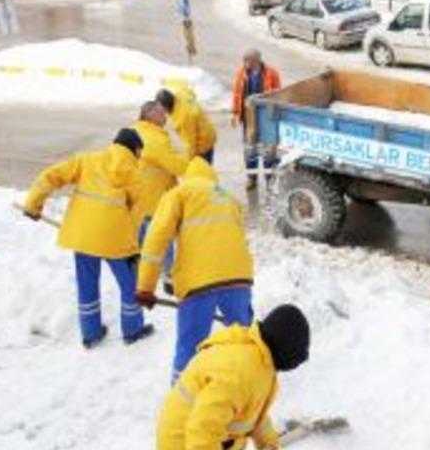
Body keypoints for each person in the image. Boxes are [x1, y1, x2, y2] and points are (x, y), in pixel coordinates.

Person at [22, 128, 154, 348]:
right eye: (140, 152)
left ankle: (91, 334)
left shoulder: (87, 160)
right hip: (116, 241)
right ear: (135, 149)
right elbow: (135, 217)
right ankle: (133, 330)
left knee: (87, 284)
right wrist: (133, 249)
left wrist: (33, 204)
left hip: (83, 236)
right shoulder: (135, 175)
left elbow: (52, 175)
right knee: (130, 285)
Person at [136, 157, 255, 382]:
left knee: (190, 346)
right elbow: (240, 241)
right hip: (240, 279)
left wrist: (145, 287)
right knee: (242, 342)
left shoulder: (179, 194)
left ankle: (181, 399)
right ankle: (245, 389)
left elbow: (156, 240)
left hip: (199, 284)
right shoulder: (229, 198)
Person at [156, 304, 310, 450]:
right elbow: (203, 430)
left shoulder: (260, 358)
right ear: (285, 350)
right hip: (183, 443)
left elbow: (255, 414)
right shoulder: (239, 373)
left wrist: (269, 443)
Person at [132, 101, 190, 293]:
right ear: (149, 115)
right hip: (154, 198)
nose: (164, 114)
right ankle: (168, 278)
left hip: (140, 197)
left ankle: (138, 272)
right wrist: (188, 157)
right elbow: (178, 166)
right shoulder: (154, 139)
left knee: (142, 237)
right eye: (160, 111)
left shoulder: (138, 131)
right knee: (162, 237)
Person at [231, 48, 282, 190]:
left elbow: (279, 94)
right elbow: (237, 94)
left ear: (256, 60)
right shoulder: (241, 74)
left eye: (247, 61)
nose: (245, 64)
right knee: (250, 149)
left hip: (267, 118)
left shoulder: (272, 73)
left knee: (268, 150)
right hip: (249, 118)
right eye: (244, 61)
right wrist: (235, 113)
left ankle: (270, 179)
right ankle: (251, 178)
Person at [155, 86, 218, 163]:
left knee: (201, 171)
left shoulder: (183, 119)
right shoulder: (181, 94)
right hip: (207, 129)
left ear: (166, 107)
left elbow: (191, 144)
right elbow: (190, 91)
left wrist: (187, 163)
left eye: (161, 109)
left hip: (203, 143)